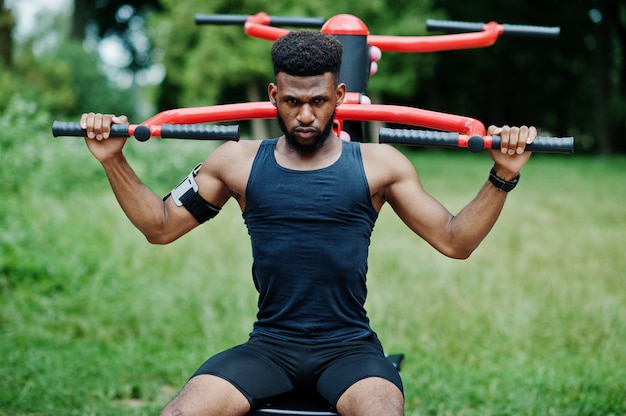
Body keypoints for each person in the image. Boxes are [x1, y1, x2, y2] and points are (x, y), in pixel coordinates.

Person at [80, 30, 537, 416]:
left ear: (339, 96)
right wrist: (113, 159)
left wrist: (503, 175)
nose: (304, 115)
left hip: (350, 350)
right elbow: (160, 226)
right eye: (293, 101)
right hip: (269, 347)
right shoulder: (235, 163)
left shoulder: (379, 166)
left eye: (318, 101)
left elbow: (455, 241)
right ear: (273, 96)